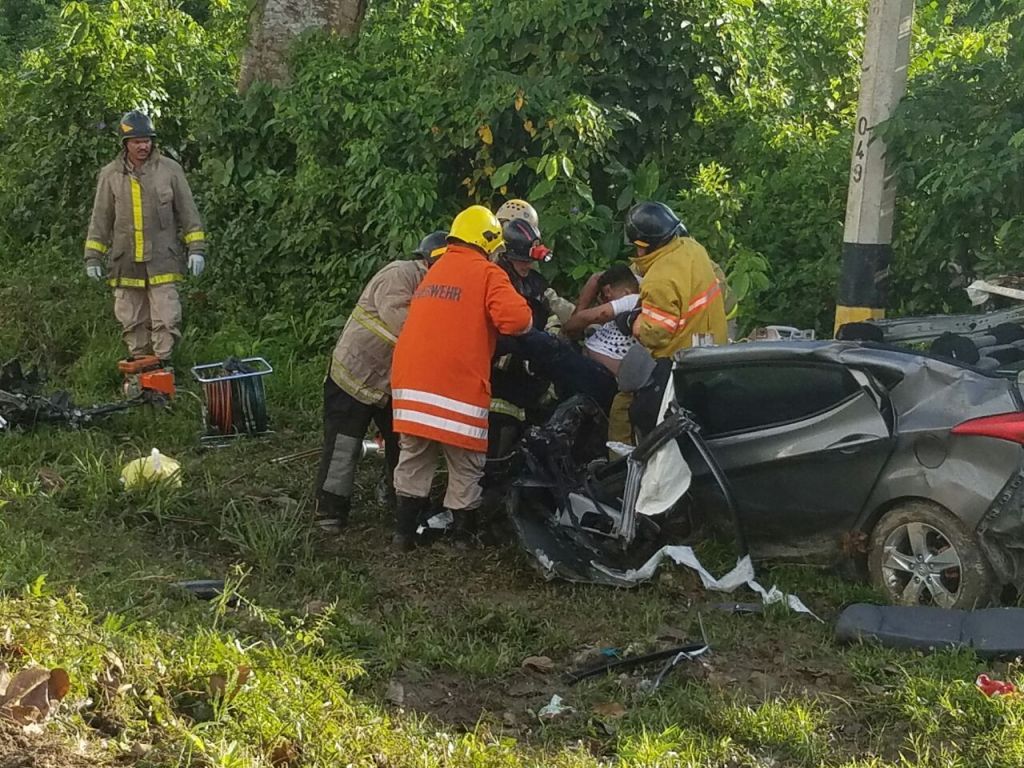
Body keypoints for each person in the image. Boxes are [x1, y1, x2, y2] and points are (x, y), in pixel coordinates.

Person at [389, 206, 533, 550]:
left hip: (410, 388)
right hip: (455, 390)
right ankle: (461, 537)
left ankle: (403, 535)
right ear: (488, 242)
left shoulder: (435, 271)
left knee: (414, 457)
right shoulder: (488, 273)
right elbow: (517, 321)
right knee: (466, 462)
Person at [313, 231, 448, 532]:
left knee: (403, 447)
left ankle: (400, 505)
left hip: (391, 386)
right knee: (343, 447)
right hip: (354, 377)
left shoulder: (436, 289)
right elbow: (410, 326)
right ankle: (330, 512)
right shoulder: (400, 275)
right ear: (428, 260)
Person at [84, 110, 206, 364]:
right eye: (137, 141)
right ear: (125, 144)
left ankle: (164, 367)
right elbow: (100, 219)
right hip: (125, 262)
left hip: (163, 259)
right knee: (131, 319)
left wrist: (196, 249)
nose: (143, 146)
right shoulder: (110, 175)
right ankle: (140, 371)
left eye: (147, 140)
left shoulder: (170, 171)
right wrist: (93, 257)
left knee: (167, 317)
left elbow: (188, 213)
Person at [610, 201, 728, 442]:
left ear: (643, 244)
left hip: (678, 368)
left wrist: (634, 321)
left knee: (622, 407)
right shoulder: (694, 250)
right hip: (712, 355)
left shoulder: (659, 278)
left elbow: (656, 334)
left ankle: (621, 472)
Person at [562, 264, 641, 377]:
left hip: (605, 370)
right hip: (594, 347)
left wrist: (564, 331)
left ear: (626, 293)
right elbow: (597, 277)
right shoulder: (635, 282)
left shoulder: (632, 298)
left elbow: (585, 317)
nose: (606, 300)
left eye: (608, 296)